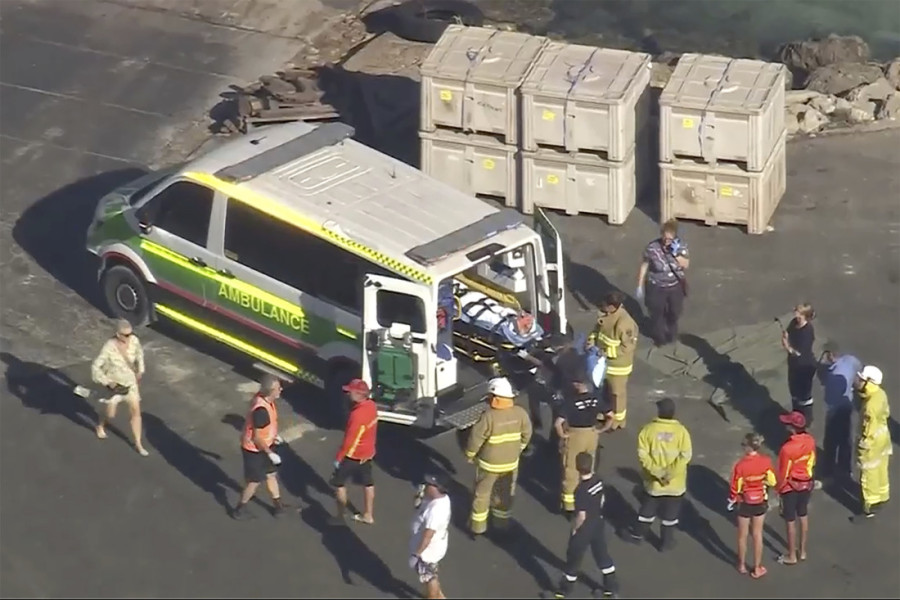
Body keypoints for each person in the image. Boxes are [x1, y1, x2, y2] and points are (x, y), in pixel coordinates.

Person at [465, 377, 532, 537]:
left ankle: (478, 527)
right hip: (510, 464)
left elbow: (476, 438)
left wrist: (470, 454)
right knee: (504, 495)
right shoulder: (520, 413)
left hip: (489, 465)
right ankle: (502, 525)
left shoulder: (488, 416)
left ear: (495, 398)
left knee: (482, 494)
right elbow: (527, 434)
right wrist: (519, 449)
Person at [547, 452, 620, 599]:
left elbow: (581, 515)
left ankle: (563, 592)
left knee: (573, 558)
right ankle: (611, 588)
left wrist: (575, 530)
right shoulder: (598, 481)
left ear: (578, 468)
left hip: (585, 527)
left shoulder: (581, 491)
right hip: (598, 522)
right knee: (602, 554)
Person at [625, 397, 692, 550]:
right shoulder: (682, 432)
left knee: (646, 511)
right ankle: (666, 543)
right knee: (670, 516)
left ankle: (637, 536)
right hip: (675, 484)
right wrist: (670, 474)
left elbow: (643, 456)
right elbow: (685, 456)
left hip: (654, 483)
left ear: (659, 412)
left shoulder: (647, 430)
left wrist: (658, 474)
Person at [232, 374, 289, 519]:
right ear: (270, 391)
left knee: (271, 474)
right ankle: (239, 509)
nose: (281, 389)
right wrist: (270, 453)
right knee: (254, 481)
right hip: (254, 450)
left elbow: (266, 430)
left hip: (266, 444)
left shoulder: (265, 400)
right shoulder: (261, 411)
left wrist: (274, 436)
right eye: (277, 388)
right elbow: (257, 438)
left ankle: (278, 506)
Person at [555, 375, 614, 514]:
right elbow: (611, 416)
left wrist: (563, 435)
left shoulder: (570, 401)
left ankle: (569, 507)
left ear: (579, 385)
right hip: (592, 434)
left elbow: (558, 423)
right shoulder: (596, 398)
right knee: (588, 464)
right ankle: (588, 496)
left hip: (576, 435)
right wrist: (602, 429)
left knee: (571, 469)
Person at [91, 318, 148, 456]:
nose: (129, 337)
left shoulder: (134, 341)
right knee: (110, 414)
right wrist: (107, 382)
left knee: (136, 412)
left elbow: (140, 354)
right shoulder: (109, 347)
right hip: (115, 387)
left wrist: (140, 370)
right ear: (118, 334)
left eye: (130, 333)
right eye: (126, 335)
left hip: (130, 384)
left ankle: (138, 443)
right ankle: (101, 424)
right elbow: (95, 367)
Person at [728, 433, 777, 579]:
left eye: (743, 445)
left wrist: (732, 499)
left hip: (744, 502)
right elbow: (773, 481)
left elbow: (735, 487)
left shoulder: (740, 465)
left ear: (748, 447)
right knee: (757, 534)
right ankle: (757, 567)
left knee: (742, 535)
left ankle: (741, 564)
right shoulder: (766, 461)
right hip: (760, 501)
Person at [587, 291, 638, 430]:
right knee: (602, 390)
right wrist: (591, 340)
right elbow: (596, 330)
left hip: (618, 366)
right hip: (603, 362)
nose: (600, 308)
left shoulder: (624, 323)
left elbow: (627, 347)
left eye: (603, 305)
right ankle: (605, 413)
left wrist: (606, 352)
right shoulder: (606, 316)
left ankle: (618, 420)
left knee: (617, 394)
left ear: (611, 306)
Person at [331, 378, 378, 525]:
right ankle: (368, 515)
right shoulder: (372, 406)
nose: (347, 394)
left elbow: (350, 440)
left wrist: (339, 458)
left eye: (350, 392)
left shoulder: (356, 415)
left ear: (359, 394)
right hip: (368, 453)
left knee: (339, 484)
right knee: (368, 483)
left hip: (353, 456)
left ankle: (340, 517)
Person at [636, 219, 689, 347]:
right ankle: (659, 337)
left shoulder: (681, 246)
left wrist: (675, 253)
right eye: (664, 238)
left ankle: (671, 331)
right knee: (656, 313)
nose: (666, 241)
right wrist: (640, 285)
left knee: (674, 312)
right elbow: (644, 265)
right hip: (656, 286)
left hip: (674, 286)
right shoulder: (652, 247)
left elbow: (685, 265)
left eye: (670, 239)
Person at [817, 341, 862, 483]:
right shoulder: (851, 360)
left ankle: (828, 472)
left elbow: (823, 382)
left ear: (830, 354)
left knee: (830, 442)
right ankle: (845, 469)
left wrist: (821, 365)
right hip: (847, 406)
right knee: (845, 439)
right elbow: (859, 371)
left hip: (834, 410)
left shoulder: (831, 373)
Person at [775, 410, 816, 565]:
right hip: (806, 482)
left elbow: (783, 471)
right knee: (803, 515)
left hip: (790, 486)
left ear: (792, 428)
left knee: (790, 519)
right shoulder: (810, 441)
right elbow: (812, 461)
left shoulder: (787, 448)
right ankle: (803, 551)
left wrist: (779, 489)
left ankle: (791, 555)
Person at [853, 365, 891, 521]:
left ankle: (868, 508)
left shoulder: (870, 406)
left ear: (869, 382)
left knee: (868, 475)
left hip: (872, 444)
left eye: (861, 379)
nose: (858, 381)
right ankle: (882, 496)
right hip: (883, 439)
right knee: (881, 469)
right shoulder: (880, 394)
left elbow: (868, 431)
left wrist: (861, 448)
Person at [409, 473, 452, 599]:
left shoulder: (436, 510)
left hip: (427, 551)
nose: (426, 485)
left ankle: (433, 597)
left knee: (428, 578)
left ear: (438, 488)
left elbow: (428, 535)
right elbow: (419, 507)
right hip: (432, 547)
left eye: (430, 484)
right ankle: (440, 596)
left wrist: (417, 555)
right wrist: (418, 498)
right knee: (431, 573)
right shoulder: (437, 498)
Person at [782, 303, 817, 426]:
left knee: (804, 395)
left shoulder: (807, 332)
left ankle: (806, 419)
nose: (795, 314)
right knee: (794, 392)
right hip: (794, 365)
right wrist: (786, 335)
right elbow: (789, 331)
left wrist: (787, 347)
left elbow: (799, 353)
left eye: (798, 312)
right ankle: (795, 416)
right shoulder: (794, 323)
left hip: (804, 367)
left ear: (805, 315)